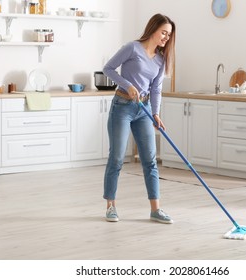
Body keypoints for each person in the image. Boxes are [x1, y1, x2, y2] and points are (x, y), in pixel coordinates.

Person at [102, 13, 176, 224]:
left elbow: (156, 89)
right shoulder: (132, 48)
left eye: (169, 35)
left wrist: (155, 113)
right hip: (122, 107)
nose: (166, 38)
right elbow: (108, 69)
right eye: (164, 32)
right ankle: (110, 206)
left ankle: (156, 210)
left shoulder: (161, 60)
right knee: (116, 158)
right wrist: (128, 85)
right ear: (153, 29)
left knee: (150, 160)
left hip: (143, 109)